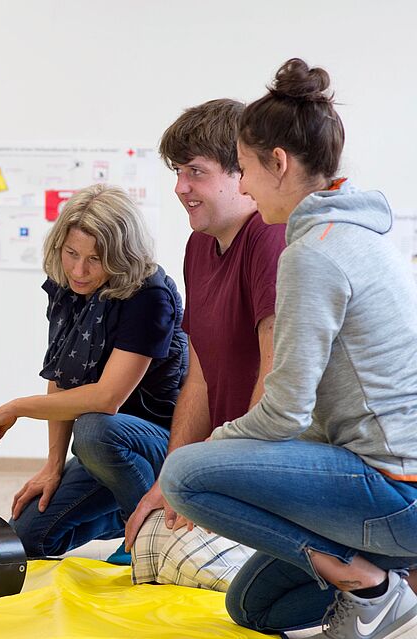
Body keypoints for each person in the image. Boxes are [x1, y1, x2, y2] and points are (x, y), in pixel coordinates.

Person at [161, 58, 417, 639]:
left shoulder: (313, 251)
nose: (245, 186)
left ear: (278, 163)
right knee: (254, 608)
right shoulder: (358, 232)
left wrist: (213, 453)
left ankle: (372, 588)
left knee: (185, 475)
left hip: (394, 490)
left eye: (246, 168)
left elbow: (285, 413)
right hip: (383, 480)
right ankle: (387, 581)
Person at [122, 99, 287, 591]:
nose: (180, 187)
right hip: (218, 462)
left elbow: (276, 380)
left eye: (195, 172)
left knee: (191, 565)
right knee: (149, 549)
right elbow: (198, 378)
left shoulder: (270, 239)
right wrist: (170, 480)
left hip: (265, 467)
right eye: (178, 172)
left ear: (242, 173)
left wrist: (217, 480)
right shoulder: (198, 246)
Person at [0, 184, 187, 561]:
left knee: (92, 429)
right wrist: (52, 467)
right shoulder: (67, 287)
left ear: (121, 256)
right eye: (71, 253)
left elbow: (107, 399)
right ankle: (125, 512)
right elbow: (62, 377)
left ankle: (148, 532)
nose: (79, 270)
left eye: (95, 259)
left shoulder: (149, 295)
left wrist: (17, 407)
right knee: (26, 537)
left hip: (161, 443)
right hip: (109, 449)